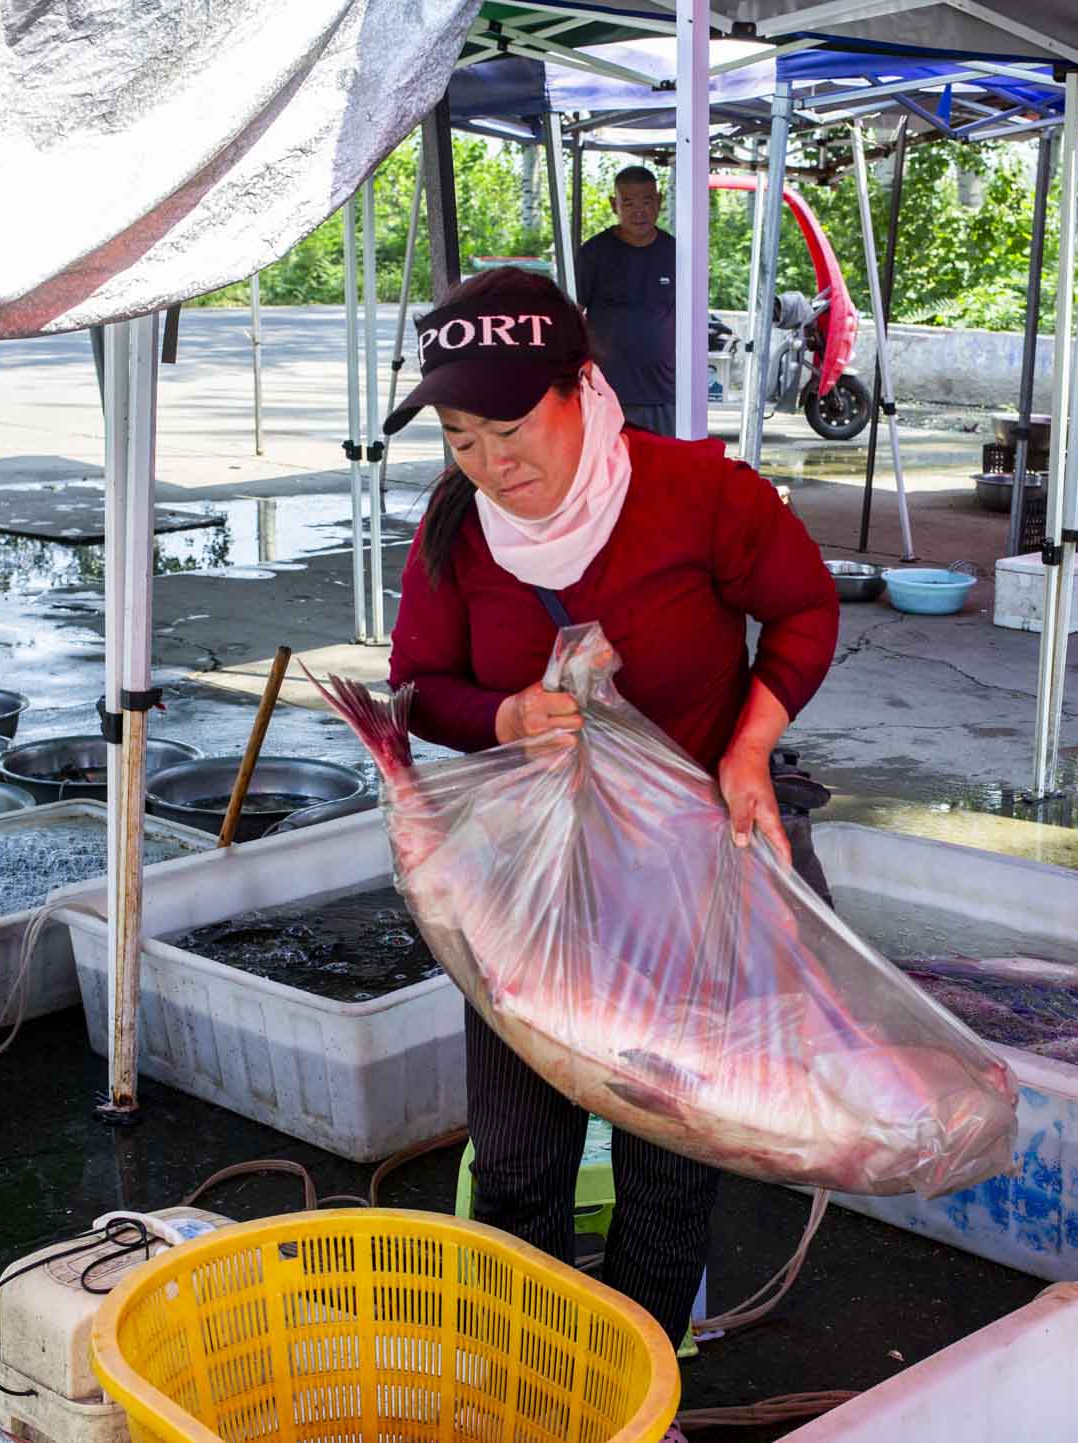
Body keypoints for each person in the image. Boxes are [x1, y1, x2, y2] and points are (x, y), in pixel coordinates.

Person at [382, 266, 839, 1362]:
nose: (491, 463)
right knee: (520, 1156)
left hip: (688, 886)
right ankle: (524, 1380)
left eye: (509, 425)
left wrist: (749, 749)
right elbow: (416, 686)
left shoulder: (698, 491)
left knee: (670, 1164)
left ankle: (638, 1385)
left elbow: (803, 609)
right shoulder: (458, 528)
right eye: (458, 438)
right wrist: (502, 718)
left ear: (581, 385)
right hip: (531, 892)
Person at [576, 164, 678, 435]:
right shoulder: (593, 253)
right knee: (611, 474)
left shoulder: (676, 252)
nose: (639, 211)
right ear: (614, 204)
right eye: (628, 202)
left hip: (666, 393)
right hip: (607, 392)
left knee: (664, 473)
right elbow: (571, 315)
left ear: (659, 202)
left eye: (647, 201)